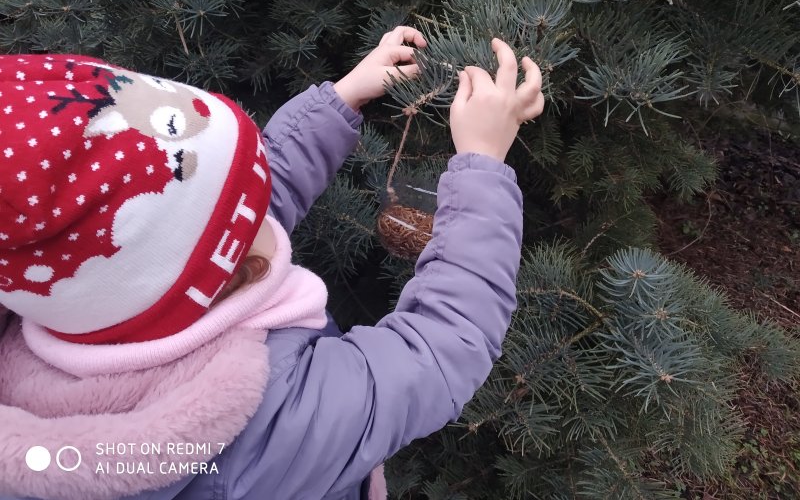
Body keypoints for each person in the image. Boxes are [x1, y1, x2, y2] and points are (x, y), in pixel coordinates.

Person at [0, 27, 544, 500]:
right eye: (249, 214)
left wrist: (342, 98)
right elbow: (441, 344)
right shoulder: (276, 419)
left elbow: (215, 216)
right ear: (238, 271)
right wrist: (481, 162)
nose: (264, 207)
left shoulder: (65, 297)